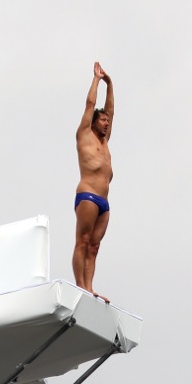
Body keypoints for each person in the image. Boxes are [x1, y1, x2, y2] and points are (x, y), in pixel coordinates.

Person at [73, 61, 114, 302]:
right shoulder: (85, 135)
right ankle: (81, 285)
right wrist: (97, 80)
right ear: (94, 121)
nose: (106, 123)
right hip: (87, 195)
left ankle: (90, 287)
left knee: (94, 247)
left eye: (108, 121)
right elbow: (90, 104)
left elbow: (111, 110)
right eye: (103, 120)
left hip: (104, 202)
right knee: (83, 241)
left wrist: (110, 84)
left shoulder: (104, 141)